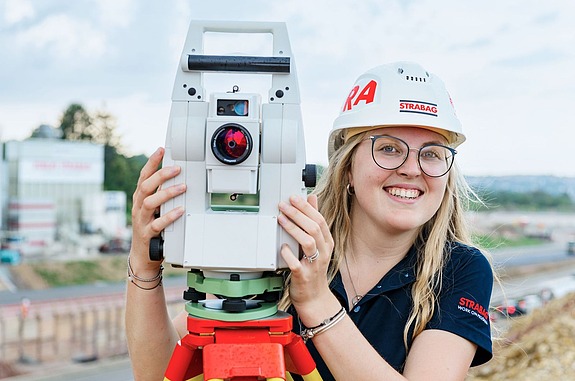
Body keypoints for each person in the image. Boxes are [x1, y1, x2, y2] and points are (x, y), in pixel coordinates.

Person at [126, 61, 494, 381]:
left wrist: (317, 301)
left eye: (431, 154)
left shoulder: (460, 269)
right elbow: (158, 373)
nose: (411, 169)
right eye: (388, 148)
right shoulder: (287, 242)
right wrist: (143, 264)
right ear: (347, 167)